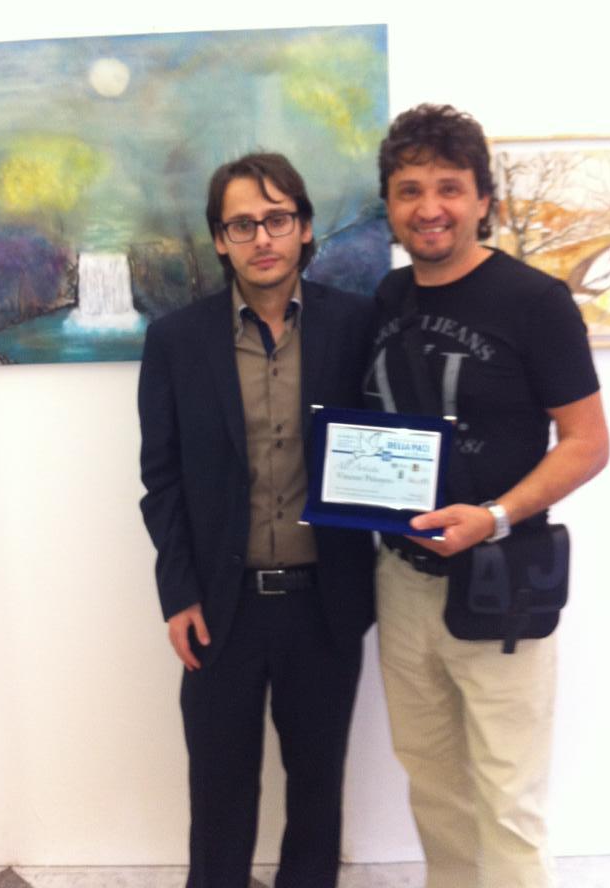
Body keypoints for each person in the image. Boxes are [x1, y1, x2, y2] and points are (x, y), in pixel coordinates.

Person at [366, 104, 609, 888]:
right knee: (434, 787)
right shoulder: (388, 298)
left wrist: (495, 516)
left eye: (449, 187)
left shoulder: (535, 301)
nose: (429, 207)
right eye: (409, 190)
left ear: (482, 200)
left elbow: (588, 442)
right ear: (389, 204)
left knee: (508, 802)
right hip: (402, 581)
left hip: (502, 583)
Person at [138, 152, 376, 888]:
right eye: (242, 224)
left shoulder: (356, 325)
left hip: (324, 605)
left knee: (317, 793)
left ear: (304, 227)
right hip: (221, 608)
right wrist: (179, 593)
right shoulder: (177, 341)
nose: (262, 237)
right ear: (220, 239)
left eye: (277, 219)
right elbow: (161, 479)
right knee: (219, 797)